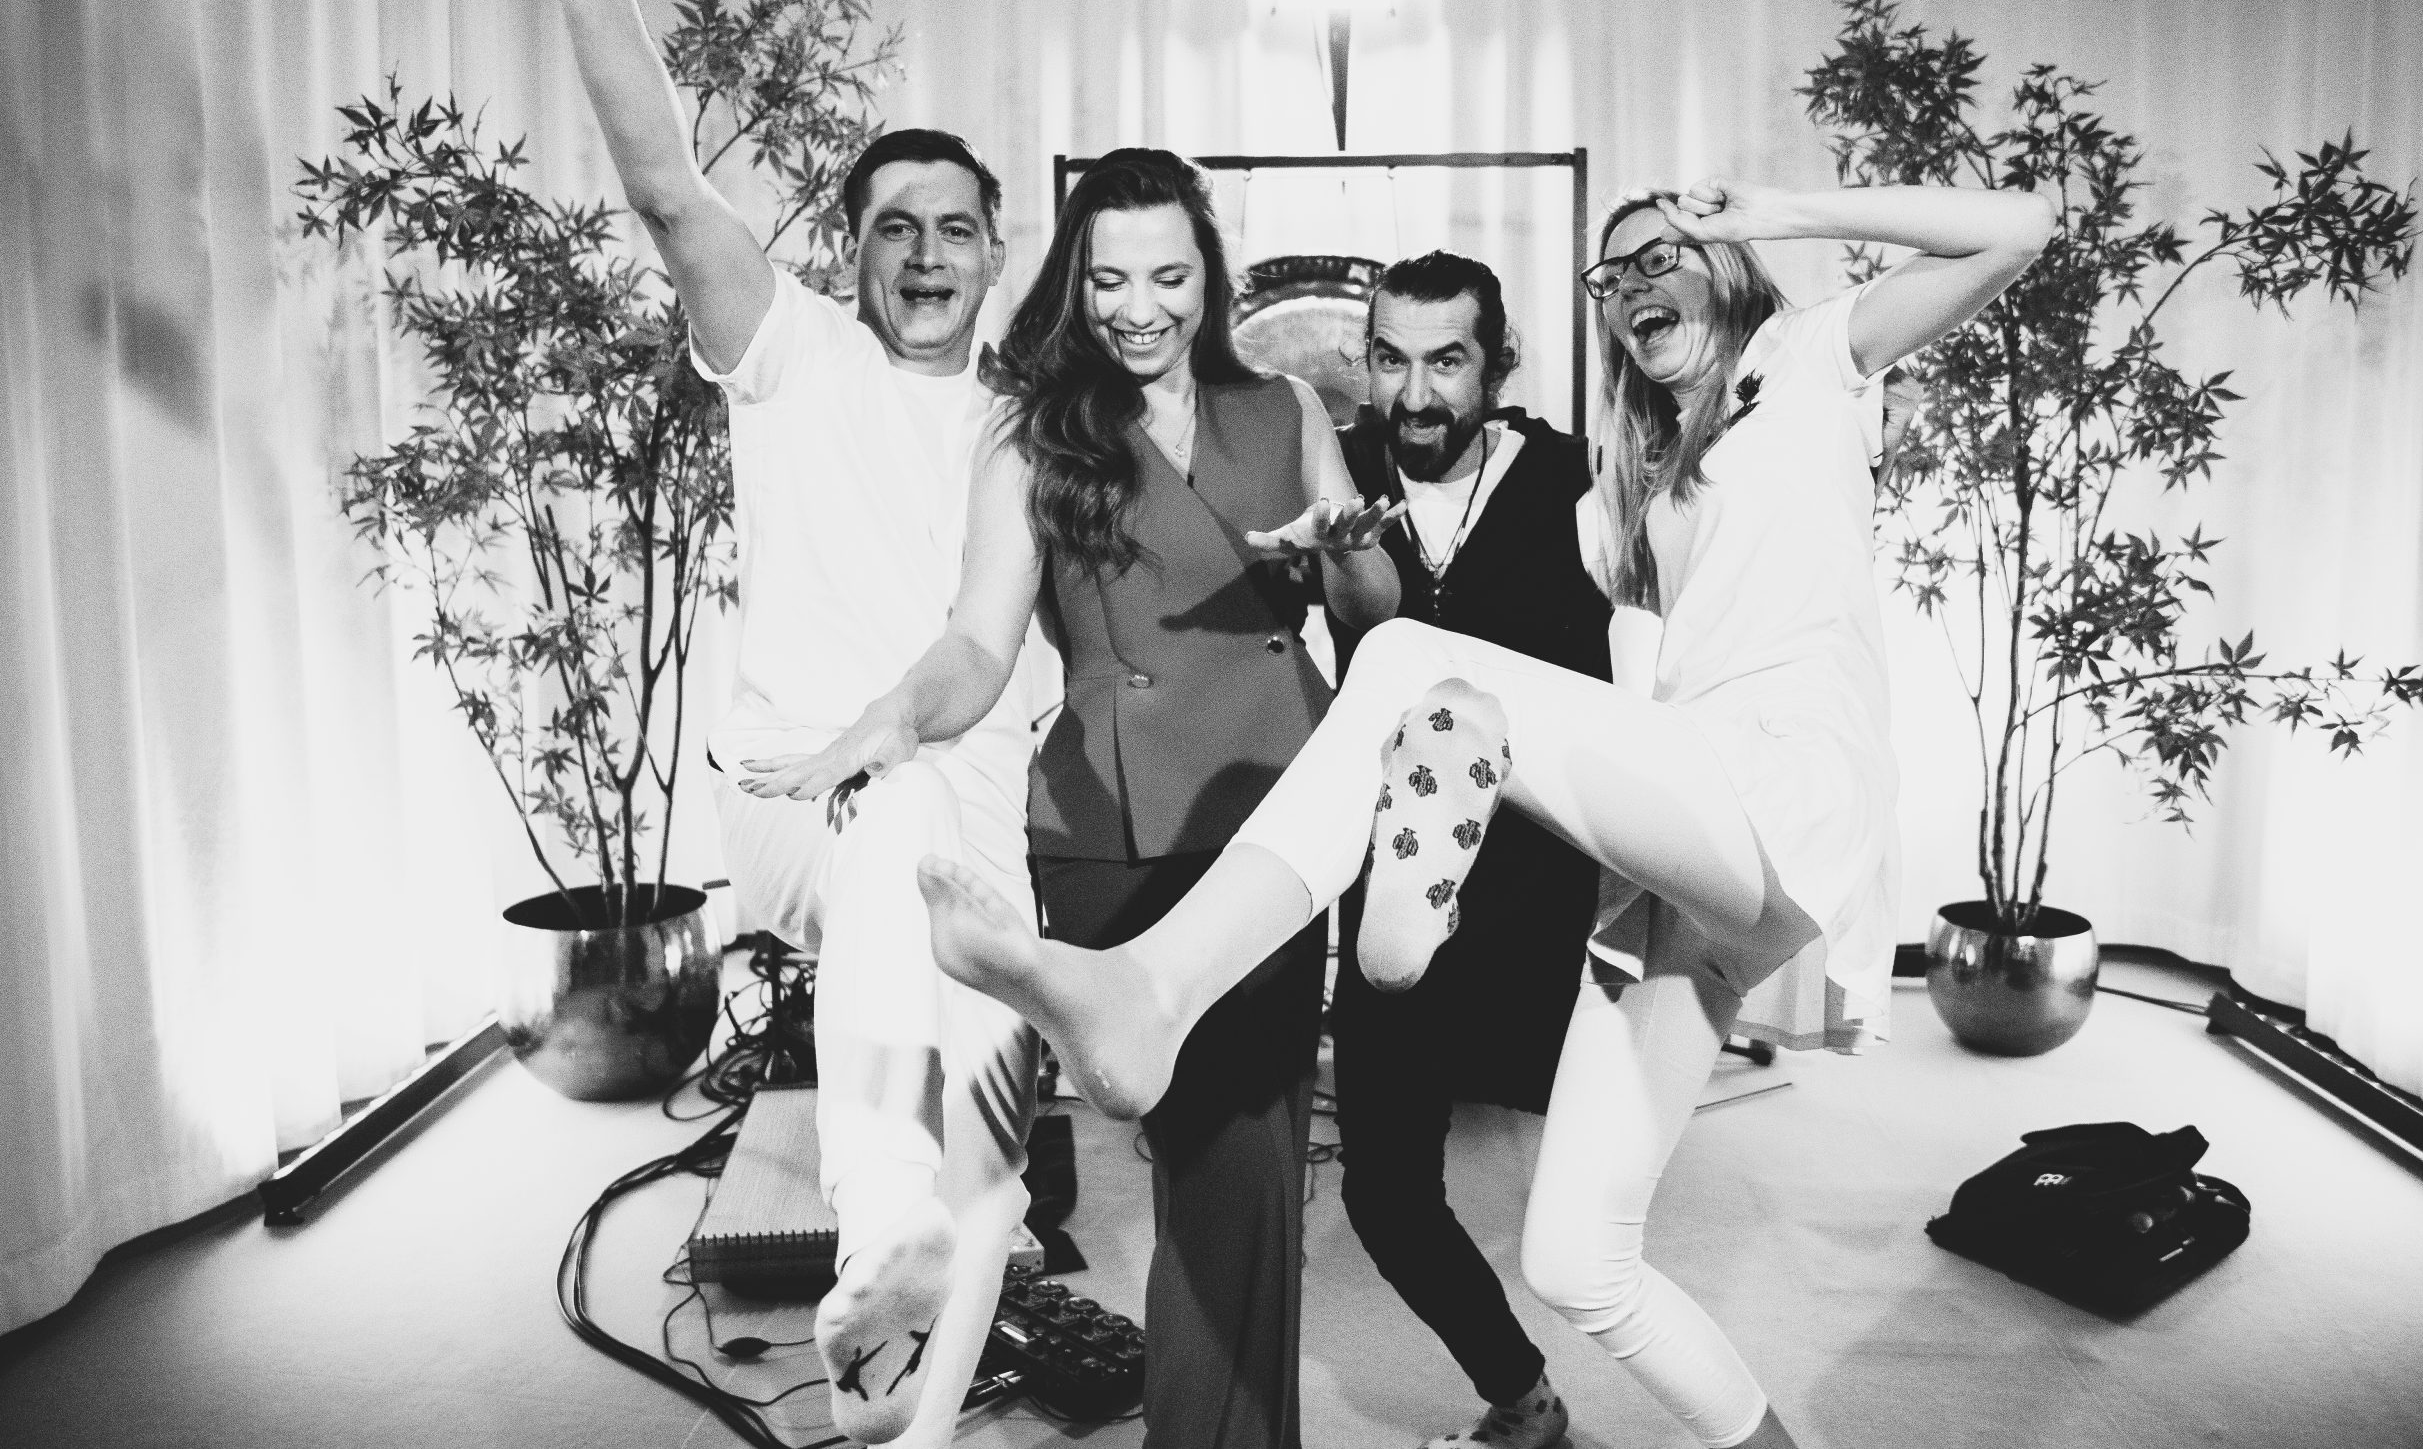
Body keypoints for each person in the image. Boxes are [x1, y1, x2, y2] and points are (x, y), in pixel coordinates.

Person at [915, 175, 2054, 1448]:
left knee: (1416, 664)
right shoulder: (1629, 478)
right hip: (1654, 865)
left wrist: (1769, 209)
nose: (1638, 285)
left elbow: (2017, 229)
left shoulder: (1803, 366)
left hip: (1761, 790)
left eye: (1669, 254)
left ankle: (1152, 986)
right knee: (1578, 1259)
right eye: (1615, 274)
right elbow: (1630, 662)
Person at [436, 0, 1051, 1444]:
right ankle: (879, 1198)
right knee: (885, 817)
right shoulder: (796, 357)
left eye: (955, 226)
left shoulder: (1026, 421)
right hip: (801, 798)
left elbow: (995, 639)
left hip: (969, 818)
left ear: (996, 249)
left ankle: (895, 1383)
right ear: (850, 252)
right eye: (893, 225)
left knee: (994, 1157)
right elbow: (664, 188)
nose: (924, 251)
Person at [762, 148, 1403, 1449]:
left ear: (1208, 275)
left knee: (1256, 1171)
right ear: (1075, 280)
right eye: (1110, 278)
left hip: (1278, 817)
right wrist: (894, 716)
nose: (1139, 307)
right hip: (1121, 828)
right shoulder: (1035, 432)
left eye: (1168, 275)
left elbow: (1373, 614)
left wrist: (1349, 553)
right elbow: (979, 641)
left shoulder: (1285, 406)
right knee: (1220, 1162)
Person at [1327, 251, 1609, 1449]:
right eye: (1391, 359)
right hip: (1393, 886)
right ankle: (1521, 1396)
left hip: (1546, 890)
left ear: (1501, 364)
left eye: (1447, 361)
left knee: (1595, 1211)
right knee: (1384, 1193)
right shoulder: (1333, 473)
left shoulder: (1575, 481)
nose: (1416, 394)